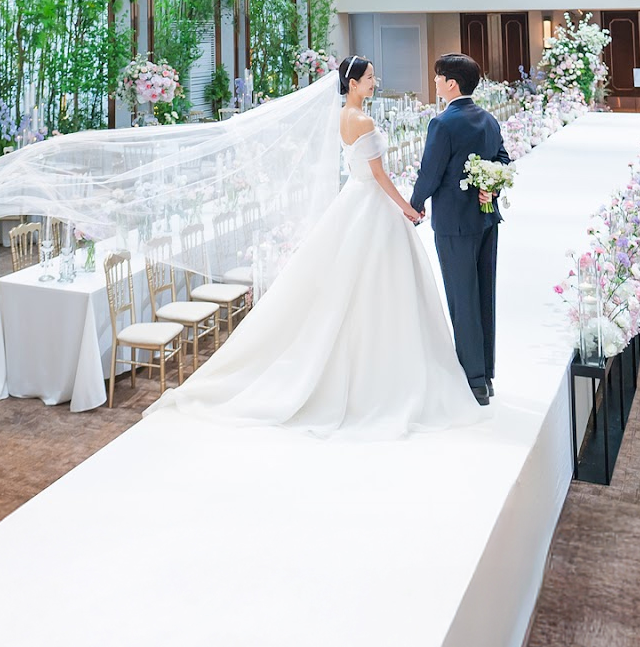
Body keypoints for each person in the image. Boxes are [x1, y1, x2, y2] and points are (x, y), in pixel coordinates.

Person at [146, 55, 483, 437]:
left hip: (354, 202)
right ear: (353, 83)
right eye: (370, 77)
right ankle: (385, 372)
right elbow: (378, 174)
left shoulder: (342, 116)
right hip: (371, 203)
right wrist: (406, 206)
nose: (375, 81)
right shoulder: (364, 120)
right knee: (382, 285)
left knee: (350, 284)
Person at [410, 52, 508, 406]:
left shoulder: (443, 123)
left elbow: (430, 173)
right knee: (484, 295)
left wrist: (415, 204)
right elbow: (503, 160)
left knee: (461, 298)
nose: (435, 82)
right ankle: (487, 376)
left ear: (451, 83)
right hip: (487, 219)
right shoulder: (488, 119)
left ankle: (473, 380)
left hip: (454, 224)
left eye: (438, 77)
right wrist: (492, 186)